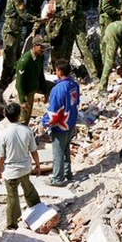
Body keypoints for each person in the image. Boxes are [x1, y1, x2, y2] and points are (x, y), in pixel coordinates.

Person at [0, 103, 42, 230]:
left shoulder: (3, 135)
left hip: (11, 171)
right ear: (19, 115)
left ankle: (12, 224)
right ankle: (38, 208)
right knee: (28, 188)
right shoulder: (27, 130)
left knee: (12, 198)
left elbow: (0, 157)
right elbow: (33, 151)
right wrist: (37, 165)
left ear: (5, 115)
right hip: (25, 168)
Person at [49, 0, 100, 82]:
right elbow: (57, 5)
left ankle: (94, 76)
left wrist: (56, 15)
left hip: (77, 26)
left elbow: (71, 11)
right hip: (68, 26)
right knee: (65, 52)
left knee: (84, 50)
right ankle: (64, 75)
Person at [0, 0, 42, 90]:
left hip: (15, 31)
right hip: (11, 32)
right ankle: (3, 85)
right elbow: (23, 14)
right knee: (9, 60)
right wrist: (37, 19)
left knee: (16, 58)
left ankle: (11, 84)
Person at [41, 59, 79, 187]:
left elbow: (54, 111)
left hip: (61, 125)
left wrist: (45, 122)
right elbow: (75, 102)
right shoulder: (74, 85)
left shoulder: (58, 89)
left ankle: (58, 178)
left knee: (58, 152)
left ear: (59, 71)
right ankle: (68, 173)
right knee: (66, 149)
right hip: (71, 121)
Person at [16, 35, 52, 125]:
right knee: (23, 119)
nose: (43, 49)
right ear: (34, 46)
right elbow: (19, 83)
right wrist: (22, 101)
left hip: (32, 90)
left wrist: (45, 91)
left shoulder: (40, 57)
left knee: (28, 117)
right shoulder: (25, 61)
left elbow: (41, 75)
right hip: (25, 93)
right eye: (41, 47)